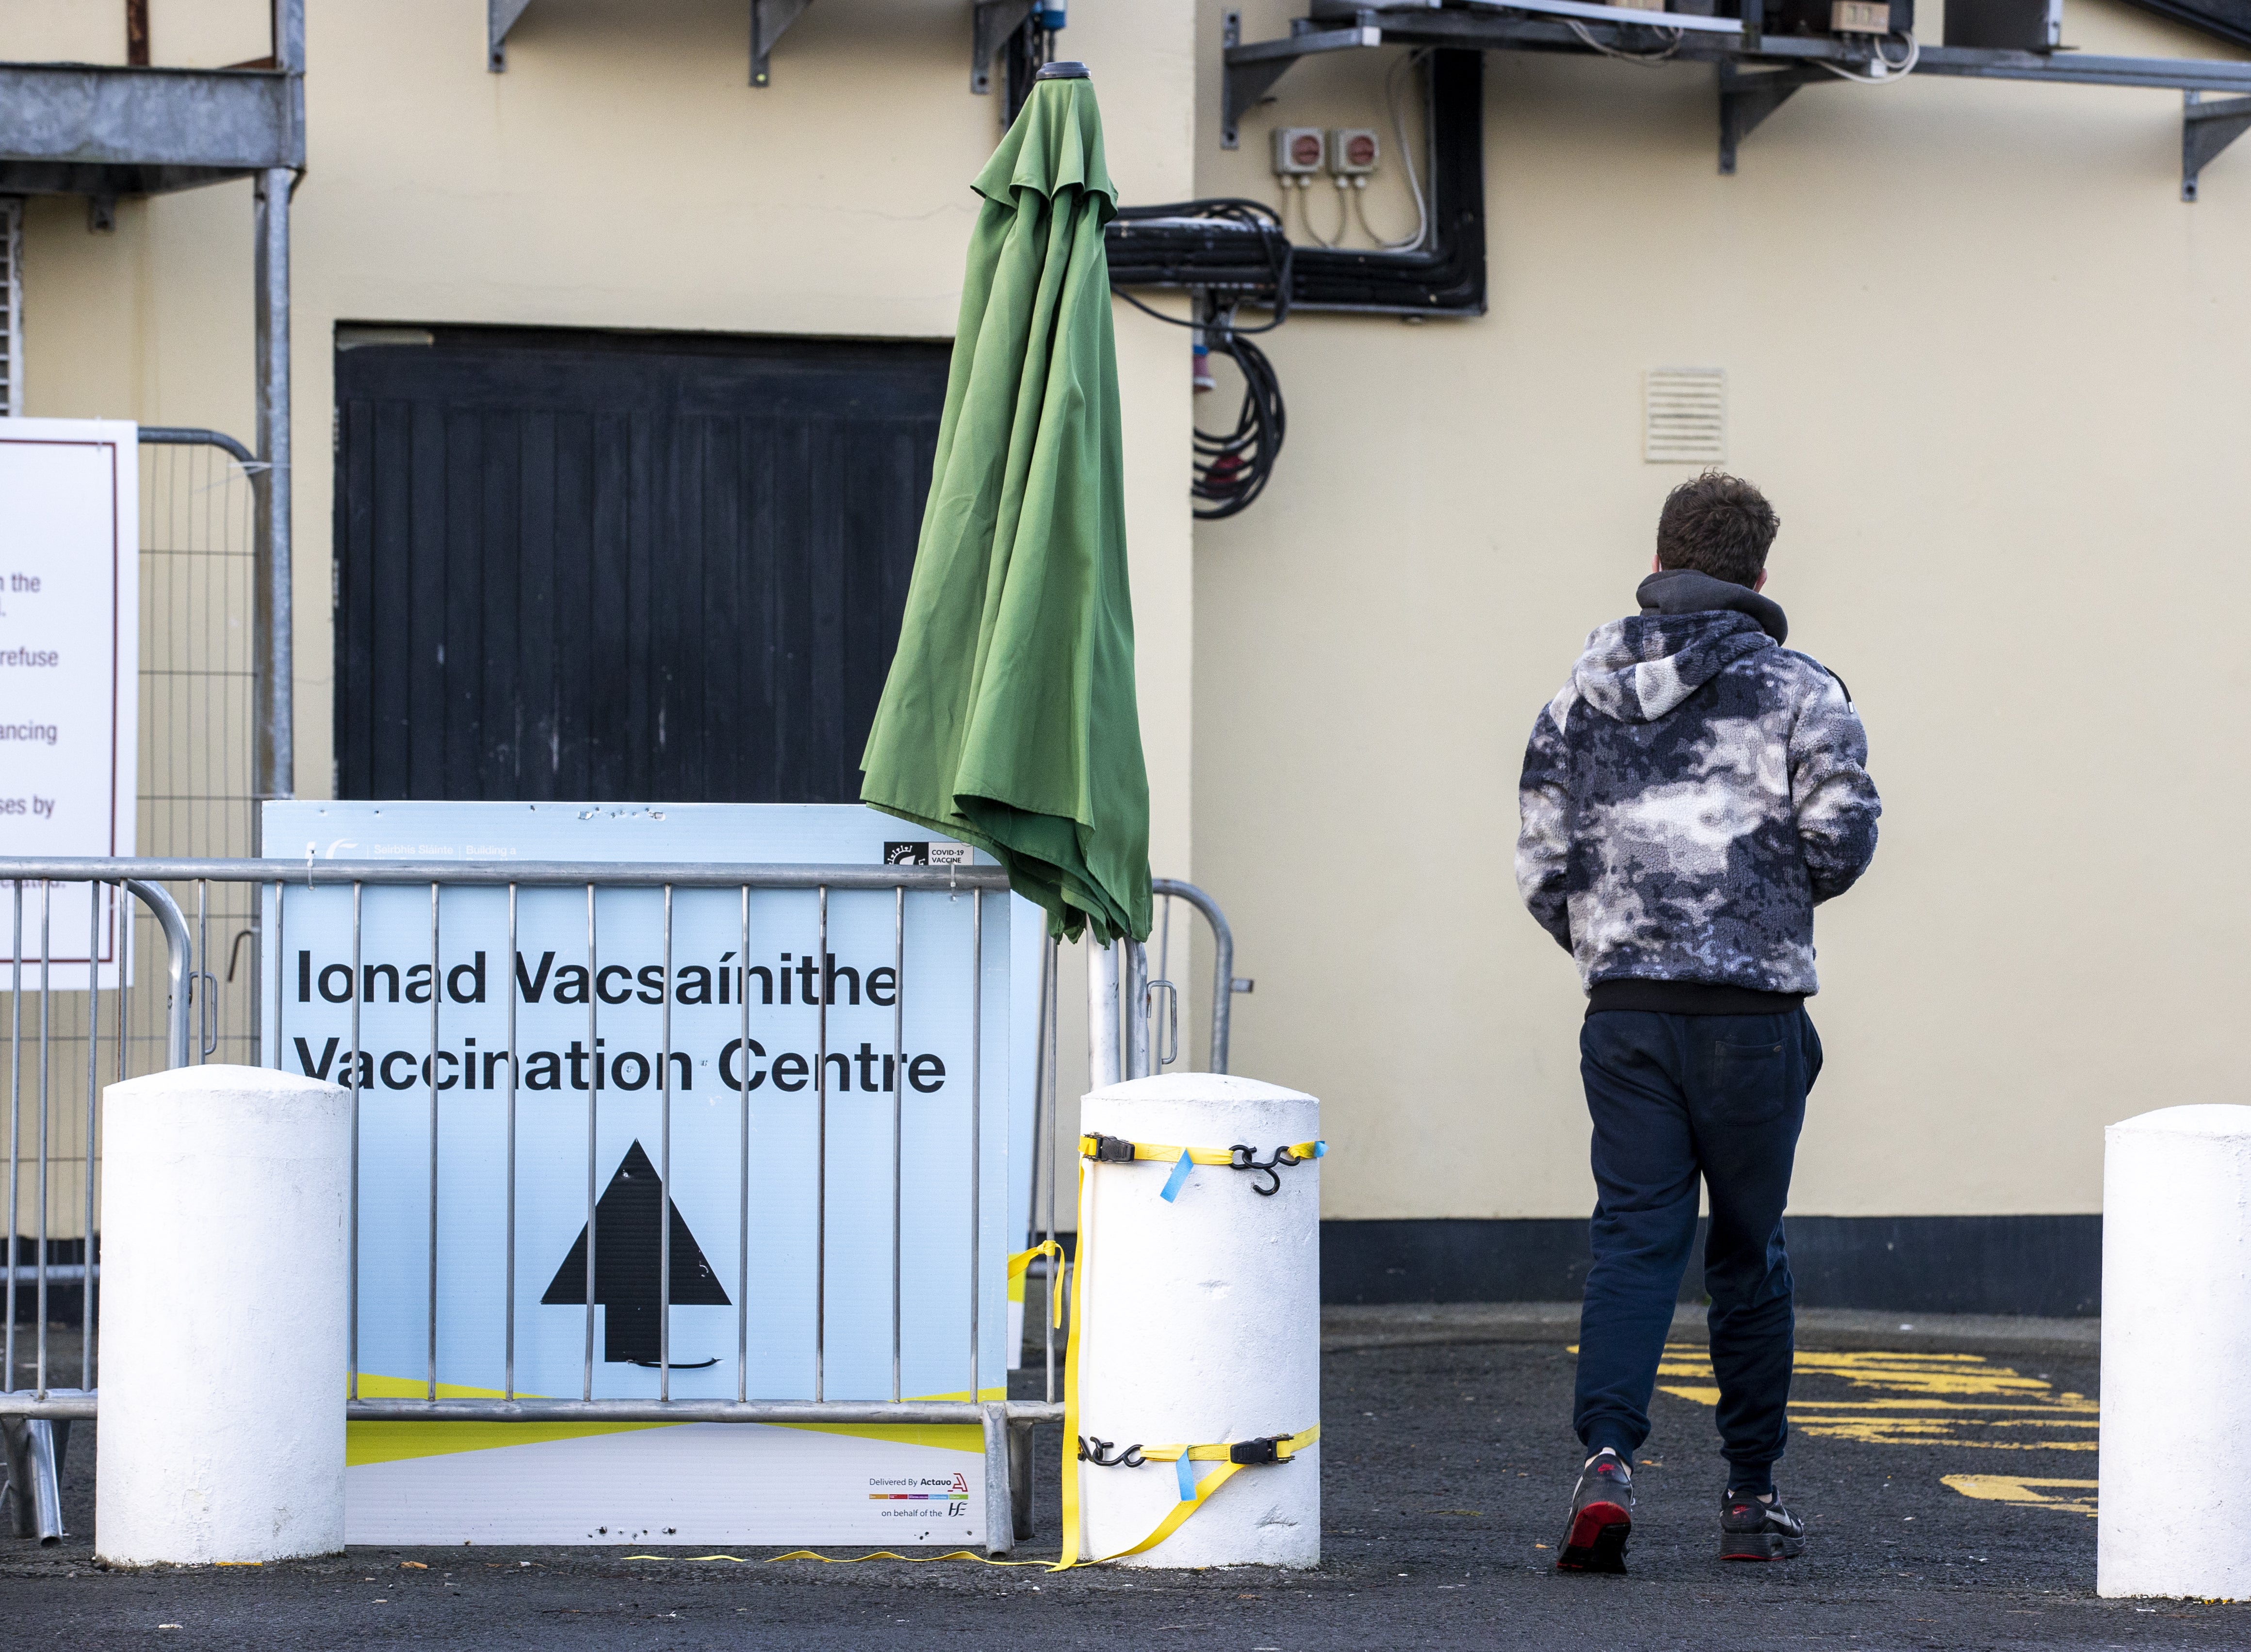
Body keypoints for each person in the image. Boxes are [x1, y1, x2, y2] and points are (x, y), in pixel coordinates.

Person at [1514, 471, 1880, 1571]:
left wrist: (1617, 945)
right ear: (1760, 573)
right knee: (1746, 1250)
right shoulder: (1802, 694)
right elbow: (1844, 840)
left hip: (1624, 1012)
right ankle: (1749, 1495)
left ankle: (1610, 1461)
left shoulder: (1573, 700)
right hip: (1752, 1014)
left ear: (1661, 554)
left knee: (1632, 1238)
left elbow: (1542, 868)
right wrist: (1755, 908)